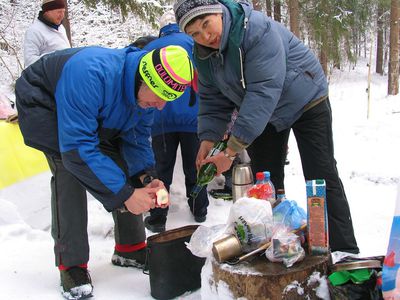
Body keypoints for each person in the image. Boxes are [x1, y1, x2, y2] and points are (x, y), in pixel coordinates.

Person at [173, 0, 359, 254]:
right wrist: (207, 139)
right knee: (265, 182)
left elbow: (263, 92)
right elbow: (212, 100)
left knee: (320, 175)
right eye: (194, 33)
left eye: (207, 24)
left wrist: (230, 152)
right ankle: (278, 246)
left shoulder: (256, 29)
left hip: (305, 99)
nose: (205, 36)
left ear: (219, 12)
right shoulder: (203, 55)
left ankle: (343, 250)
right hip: (263, 114)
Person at [15, 45, 193, 300]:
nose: (161, 105)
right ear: (142, 79)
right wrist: (124, 196)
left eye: (167, 98)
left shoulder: (147, 94)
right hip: (44, 103)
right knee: (70, 170)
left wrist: (145, 177)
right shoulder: (90, 74)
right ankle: (72, 265)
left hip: (95, 111)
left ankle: (129, 248)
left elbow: (137, 137)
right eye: (158, 95)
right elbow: (77, 148)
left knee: (123, 167)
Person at [140, 10, 209, 233]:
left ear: (161, 29)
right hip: (193, 118)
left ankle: (158, 217)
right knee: (195, 166)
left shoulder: (151, 48)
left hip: (161, 121)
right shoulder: (193, 42)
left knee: (162, 171)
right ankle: (200, 210)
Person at [23, 0, 70, 67]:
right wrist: (55, 57)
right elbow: (29, 62)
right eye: (59, 12)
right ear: (47, 12)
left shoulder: (61, 28)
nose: (62, 15)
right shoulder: (34, 31)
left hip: (65, 73)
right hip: (47, 76)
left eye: (63, 12)